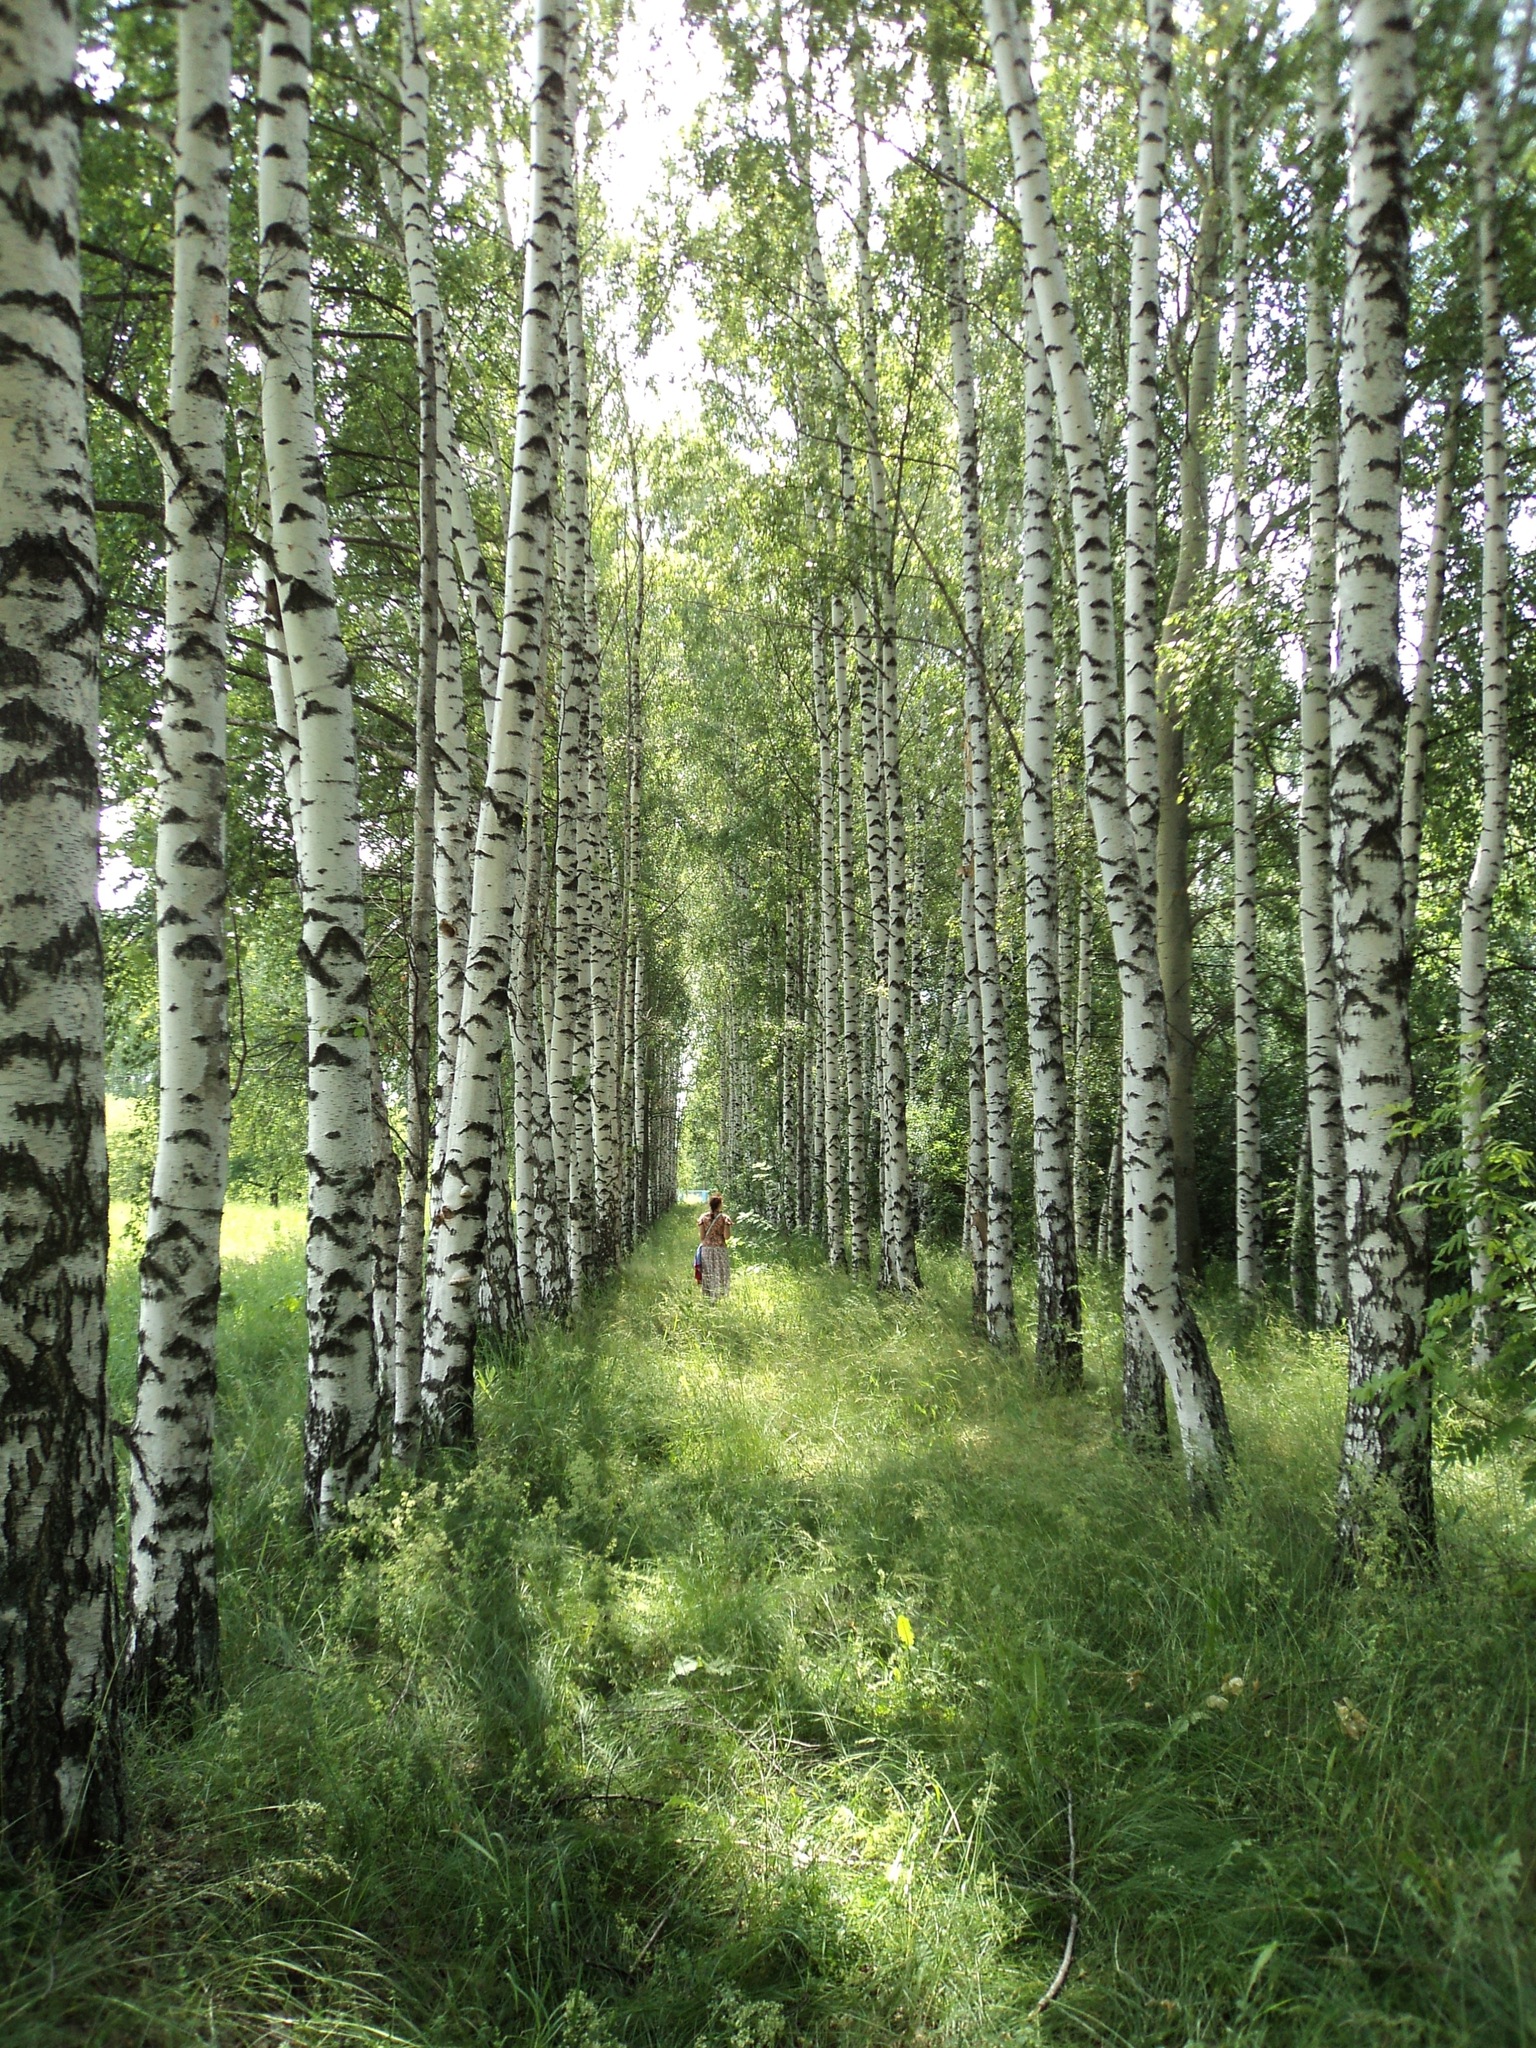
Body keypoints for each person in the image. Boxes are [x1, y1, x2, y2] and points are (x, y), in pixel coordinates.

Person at [697, 1190, 732, 1301]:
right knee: (721, 1272)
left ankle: (708, 1296)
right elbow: (727, 1236)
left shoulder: (703, 1218)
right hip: (720, 1249)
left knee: (708, 1272)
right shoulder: (724, 1218)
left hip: (706, 1250)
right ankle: (721, 1295)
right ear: (720, 1205)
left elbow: (702, 1237)